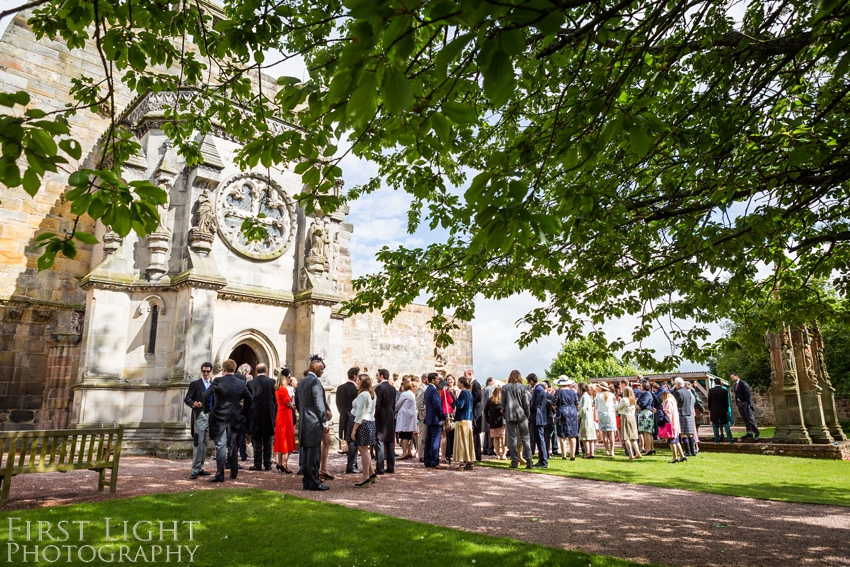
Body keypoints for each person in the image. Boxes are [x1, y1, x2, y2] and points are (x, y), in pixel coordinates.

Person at [202, 359, 253, 482]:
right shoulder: (241, 383)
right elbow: (250, 398)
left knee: (220, 444)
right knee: (233, 443)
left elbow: (206, 395)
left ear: (223, 370)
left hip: (219, 415)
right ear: (234, 370)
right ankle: (234, 472)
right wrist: (243, 412)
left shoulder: (218, 380)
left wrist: (207, 410)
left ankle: (220, 474)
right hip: (235, 415)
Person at [296, 355, 331, 491]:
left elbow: (298, 403)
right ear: (315, 368)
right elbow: (319, 404)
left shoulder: (302, 381)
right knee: (314, 453)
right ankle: (314, 482)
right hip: (313, 420)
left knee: (306, 452)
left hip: (305, 419)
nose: (322, 371)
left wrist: (302, 414)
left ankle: (307, 480)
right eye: (321, 369)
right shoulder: (315, 382)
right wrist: (324, 422)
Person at [184, 362, 214, 479]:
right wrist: (194, 404)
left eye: (208, 371)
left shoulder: (213, 384)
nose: (206, 373)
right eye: (204, 371)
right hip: (200, 415)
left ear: (211, 372)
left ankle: (200, 467)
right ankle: (195, 469)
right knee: (198, 442)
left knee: (205, 443)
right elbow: (187, 399)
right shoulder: (195, 384)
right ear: (201, 371)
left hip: (210, 416)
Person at [247, 363, 277, 471]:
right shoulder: (272, 382)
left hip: (255, 413)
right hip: (268, 412)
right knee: (268, 439)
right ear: (266, 370)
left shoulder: (250, 383)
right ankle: (268, 464)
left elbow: (248, 400)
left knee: (257, 439)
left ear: (256, 371)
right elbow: (275, 400)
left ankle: (257, 463)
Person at [349, 374, 377, 487]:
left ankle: (365, 477)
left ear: (363, 382)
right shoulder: (372, 393)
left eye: (358, 380)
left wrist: (354, 429)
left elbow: (360, 413)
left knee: (363, 450)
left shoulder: (363, 395)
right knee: (364, 449)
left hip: (362, 423)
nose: (356, 381)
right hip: (369, 422)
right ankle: (371, 473)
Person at [501, 370, 532, 469]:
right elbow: (526, 403)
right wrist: (527, 414)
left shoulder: (505, 388)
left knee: (512, 439)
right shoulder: (523, 388)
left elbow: (503, 403)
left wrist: (505, 414)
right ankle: (529, 461)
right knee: (525, 438)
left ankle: (514, 461)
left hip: (510, 415)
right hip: (522, 414)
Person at [336, 367, 361, 474]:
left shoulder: (340, 388)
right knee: (353, 441)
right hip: (353, 417)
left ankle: (352, 463)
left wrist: (342, 412)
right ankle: (351, 465)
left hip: (343, 416)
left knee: (349, 440)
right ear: (355, 376)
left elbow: (338, 403)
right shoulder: (356, 390)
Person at [273, 369, 296, 473]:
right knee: (286, 438)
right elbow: (288, 403)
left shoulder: (277, 389)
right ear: (285, 377)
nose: (289, 379)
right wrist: (295, 407)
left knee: (281, 438)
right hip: (286, 415)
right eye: (289, 377)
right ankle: (284, 464)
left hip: (280, 414)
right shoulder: (283, 389)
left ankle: (279, 463)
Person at [450, 376, 476, 470]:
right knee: (468, 441)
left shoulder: (463, 393)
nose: (457, 383)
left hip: (462, 419)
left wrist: (455, 398)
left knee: (461, 441)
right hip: (469, 419)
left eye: (458, 382)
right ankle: (470, 461)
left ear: (462, 383)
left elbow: (460, 405)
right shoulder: (469, 393)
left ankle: (461, 462)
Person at [374, 368, 396, 475]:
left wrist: (375, 415)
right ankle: (391, 467)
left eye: (378, 375)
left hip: (381, 416)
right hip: (390, 416)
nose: (377, 377)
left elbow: (377, 404)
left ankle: (380, 468)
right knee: (390, 443)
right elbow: (393, 405)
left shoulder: (379, 388)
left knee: (380, 442)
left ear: (382, 376)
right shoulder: (392, 389)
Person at [423, 373, 447, 468]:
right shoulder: (433, 390)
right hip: (435, 418)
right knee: (435, 440)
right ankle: (434, 461)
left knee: (429, 440)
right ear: (432, 380)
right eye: (437, 379)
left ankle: (428, 460)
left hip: (429, 418)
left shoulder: (428, 390)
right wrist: (443, 416)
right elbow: (437, 405)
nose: (438, 381)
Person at [554, 377, 579, 460]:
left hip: (562, 412)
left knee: (562, 435)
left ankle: (564, 455)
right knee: (573, 434)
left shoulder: (558, 391)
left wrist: (556, 409)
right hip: (572, 412)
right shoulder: (573, 391)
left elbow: (554, 403)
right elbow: (577, 404)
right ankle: (572, 455)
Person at [527, 373, 549, 468]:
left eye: (529, 382)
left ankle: (543, 461)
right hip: (538, 417)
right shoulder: (539, 389)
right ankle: (542, 459)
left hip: (537, 417)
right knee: (539, 439)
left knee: (540, 440)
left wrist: (529, 407)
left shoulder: (538, 389)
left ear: (531, 381)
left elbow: (534, 405)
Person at [615, 385, 641, 459]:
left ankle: (630, 454)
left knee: (626, 437)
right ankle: (638, 453)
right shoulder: (633, 399)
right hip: (632, 417)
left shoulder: (624, 400)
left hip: (625, 417)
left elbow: (617, 407)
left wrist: (615, 403)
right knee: (632, 438)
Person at [672, 377, 697, 456]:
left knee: (683, 434)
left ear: (677, 384)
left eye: (675, 384)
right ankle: (693, 451)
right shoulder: (688, 392)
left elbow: (674, 403)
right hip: (689, 413)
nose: (674, 385)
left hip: (681, 414)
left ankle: (688, 451)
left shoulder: (677, 392)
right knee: (690, 433)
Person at [731, 372, 759, 440]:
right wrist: (737, 403)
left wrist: (749, 403)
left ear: (736, 376)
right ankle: (749, 432)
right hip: (740, 404)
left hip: (746, 403)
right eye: (731, 378)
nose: (732, 379)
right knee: (745, 419)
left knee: (750, 418)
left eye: (732, 377)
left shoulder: (743, 383)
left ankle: (756, 433)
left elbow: (747, 393)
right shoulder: (735, 385)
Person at [661, 390, 686, 463]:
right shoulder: (673, 400)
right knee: (676, 440)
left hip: (670, 423)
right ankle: (682, 456)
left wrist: (660, 412)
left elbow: (668, 413)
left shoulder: (668, 401)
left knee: (671, 441)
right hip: (675, 422)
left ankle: (674, 457)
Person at [708, 377, 734, 444]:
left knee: (715, 426)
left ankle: (717, 440)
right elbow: (726, 402)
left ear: (714, 382)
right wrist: (727, 410)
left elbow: (709, 401)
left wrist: (710, 409)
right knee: (726, 425)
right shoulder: (724, 391)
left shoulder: (711, 391)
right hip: (722, 409)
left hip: (714, 410)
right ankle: (730, 439)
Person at [395, 380, 417, 460]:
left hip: (405, 417)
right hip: (410, 417)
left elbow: (398, 405)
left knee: (404, 436)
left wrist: (393, 411)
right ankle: (408, 452)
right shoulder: (411, 394)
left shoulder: (404, 394)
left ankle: (404, 453)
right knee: (409, 436)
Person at [594, 382, 616, 456]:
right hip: (610, 414)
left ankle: (606, 450)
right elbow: (614, 405)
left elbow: (596, 406)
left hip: (601, 414)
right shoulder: (612, 395)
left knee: (604, 433)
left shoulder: (598, 395)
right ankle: (612, 450)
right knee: (611, 432)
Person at [466, 369, 483, 462]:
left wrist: (469, 401)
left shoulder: (475, 383)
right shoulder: (473, 384)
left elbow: (478, 397)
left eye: (466, 376)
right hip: (474, 410)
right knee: (474, 433)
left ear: (470, 374)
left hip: (476, 411)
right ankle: (475, 453)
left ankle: (477, 454)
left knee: (476, 432)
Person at [484, 386, 506, 459]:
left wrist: (488, 420)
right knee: (503, 438)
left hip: (492, 422)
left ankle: (497, 455)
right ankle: (503, 454)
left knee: (495, 438)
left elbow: (485, 410)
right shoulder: (503, 400)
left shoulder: (490, 400)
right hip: (502, 421)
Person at [636, 380, 656, 455]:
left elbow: (643, 404)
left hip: (646, 413)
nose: (640, 387)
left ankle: (648, 449)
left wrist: (638, 406)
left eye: (641, 386)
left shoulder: (646, 394)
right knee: (648, 432)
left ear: (644, 386)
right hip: (647, 413)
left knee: (647, 432)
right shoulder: (647, 393)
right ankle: (651, 448)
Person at [578, 382, 596, 458]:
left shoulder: (585, 397)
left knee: (585, 437)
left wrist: (578, 416)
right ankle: (591, 453)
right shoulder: (587, 396)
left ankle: (588, 453)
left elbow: (583, 409)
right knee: (590, 437)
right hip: (589, 417)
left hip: (586, 418)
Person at [439, 379, 455, 463]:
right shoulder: (445, 392)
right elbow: (451, 401)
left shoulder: (438, 392)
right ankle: (443, 455)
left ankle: (443, 454)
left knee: (442, 434)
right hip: (446, 412)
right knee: (444, 435)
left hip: (441, 412)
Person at [415, 373, 428, 462]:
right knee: (422, 436)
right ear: (424, 379)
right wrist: (423, 414)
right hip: (423, 416)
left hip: (426, 415)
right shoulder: (421, 388)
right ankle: (421, 455)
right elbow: (419, 403)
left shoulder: (425, 388)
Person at [482, 377, 495, 456]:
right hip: (488, 413)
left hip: (483, 412)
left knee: (486, 432)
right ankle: (490, 448)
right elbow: (490, 402)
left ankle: (485, 448)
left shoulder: (483, 389)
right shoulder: (489, 390)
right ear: (490, 382)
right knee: (490, 432)